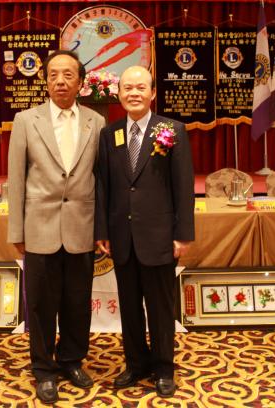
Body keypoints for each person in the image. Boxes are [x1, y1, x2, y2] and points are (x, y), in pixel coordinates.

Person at [7, 50, 105, 405]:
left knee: (78, 302)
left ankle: (71, 361)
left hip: (82, 226)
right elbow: (16, 178)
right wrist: (16, 231)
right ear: (45, 81)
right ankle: (44, 369)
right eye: (53, 75)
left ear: (81, 82)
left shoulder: (97, 121)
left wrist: (102, 229)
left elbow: (101, 179)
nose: (60, 81)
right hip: (39, 228)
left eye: (68, 75)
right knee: (41, 306)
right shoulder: (25, 120)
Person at [95, 65, 195, 398]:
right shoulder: (110, 134)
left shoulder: (172, 130)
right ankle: (136, 363)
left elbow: (184, 186)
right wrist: (102, 230)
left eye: (141, 87)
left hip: (160, 238)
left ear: (153, 93)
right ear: (118, 93)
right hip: (122, 238)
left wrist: (183, 234)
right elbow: (104, 186)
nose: (134, 93)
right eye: (128, 88)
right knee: (130, 307)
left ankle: (164, 368)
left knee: (161, 308)